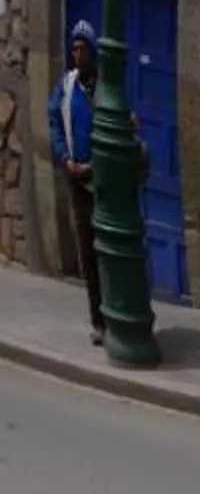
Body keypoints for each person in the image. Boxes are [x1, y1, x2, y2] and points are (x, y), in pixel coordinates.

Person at [47, 23, 102, 341]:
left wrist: (95, 165)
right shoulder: (67, 87)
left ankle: (116, 312)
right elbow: (54, 122)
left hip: (102, 181)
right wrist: (65, 159)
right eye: (74, 49)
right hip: (78, 181)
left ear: (92, 53)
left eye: (82, 49)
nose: (77, 55)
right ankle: (98, 321)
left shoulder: (104, 88)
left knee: (108, 251)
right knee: (87, 254)